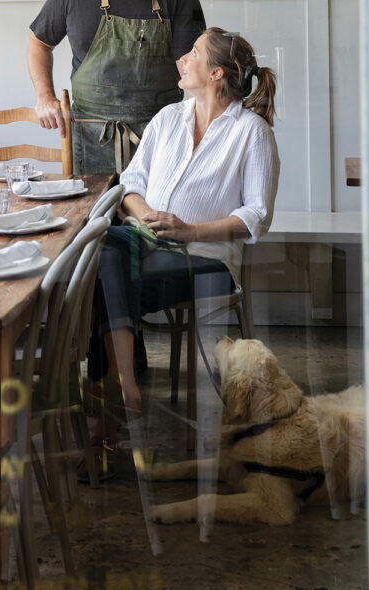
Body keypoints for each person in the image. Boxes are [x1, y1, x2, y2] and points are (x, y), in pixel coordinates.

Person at [84, 27, 280, 477]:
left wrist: (188, 229)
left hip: (207, 260)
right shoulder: (168, 117)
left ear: (214, 73)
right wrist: (150, 215)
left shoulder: (252, 133)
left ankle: (105, 428)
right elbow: (129, 185)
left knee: (103, 277)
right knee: (105, 245)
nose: (181, 60)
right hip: (144, 242)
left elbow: (256, 216)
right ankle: (125, 383)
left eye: (192, 54)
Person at [27, 0, 206, 174]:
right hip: (90, 138)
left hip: (159, 139)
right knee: (89, 216)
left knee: (152, 218)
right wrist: (44, 95)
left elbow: (194, 73)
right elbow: (39, 43)